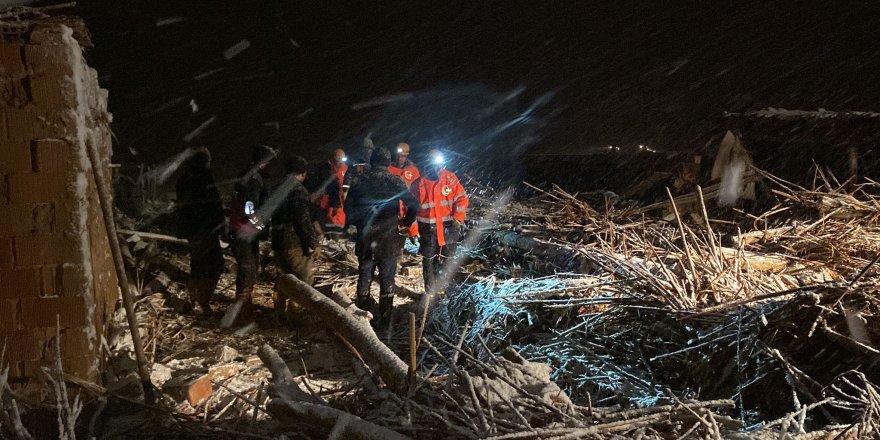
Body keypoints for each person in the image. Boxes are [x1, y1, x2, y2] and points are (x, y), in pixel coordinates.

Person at [345, 148, 419, 320]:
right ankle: (385, 318)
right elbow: (414, 204)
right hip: (388, 239)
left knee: (364, 276)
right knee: (387, 279)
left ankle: (362, 316)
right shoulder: (395, 181)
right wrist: (406, 222)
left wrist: (357, 223)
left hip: (366, 237)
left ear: (372, 162)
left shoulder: (359, 180)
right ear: (388, 163)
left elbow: (348, 207)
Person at [224, 145, 276, 326]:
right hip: (243, 230)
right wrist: (258, 224)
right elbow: (249, 207)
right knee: (248, 268)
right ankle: (241, 312)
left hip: (239, 229)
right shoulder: (253, 179)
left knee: (249, 267)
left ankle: (244, 307)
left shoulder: (246, 175)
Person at [175, 147, 226, 314]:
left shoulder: (183, 178)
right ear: (206, 162)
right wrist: (220, 226)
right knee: (215, 265)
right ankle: (204, 302)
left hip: (192, 230)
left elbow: (184, 206)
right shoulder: (204, 177)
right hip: (205, 230)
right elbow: (212, 205)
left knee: (197, 266)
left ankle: (193, 301)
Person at [411, 149, 469, 295]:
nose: (436, 169)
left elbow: (462, 198)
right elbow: (409, 208)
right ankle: (430, 293)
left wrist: (458, 217)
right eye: (432, 165)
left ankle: (447, 292)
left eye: (438, 165)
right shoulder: (419, 184)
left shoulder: (450, 178)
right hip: (428, 230)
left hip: (449, 228)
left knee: (448, 260)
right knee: (429, 261)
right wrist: (412, 230)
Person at [270, 156, 319, 317]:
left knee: (283, 278)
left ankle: (279, 313)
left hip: (277, 239)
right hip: (293, 241)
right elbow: (302, 220)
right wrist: (312, 243)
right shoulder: (298, 190)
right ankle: (295, 315)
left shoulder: (276, 187)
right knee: (302, 280)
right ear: (303, 173)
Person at [307, 148, 347, 240]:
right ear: (333, 158)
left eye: (343, 159)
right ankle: (328, 240)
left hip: (340, 199)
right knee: (328, 221)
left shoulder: (345, 168)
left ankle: (334, 240)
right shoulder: (325, 168)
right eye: (339, 159)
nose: (341, 162)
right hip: (326, 201)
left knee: (337, 221)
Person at [387, 142, 421, 240]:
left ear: (406, 156)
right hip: (392, 206)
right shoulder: (389, 168)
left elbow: (417, 190)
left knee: (408, 226)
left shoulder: (413, 170)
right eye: (398, 156)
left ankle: (412, 235)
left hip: (407, 206)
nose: (399, 158)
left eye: (402, 156)